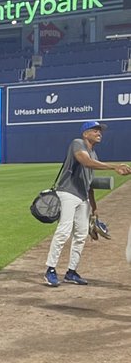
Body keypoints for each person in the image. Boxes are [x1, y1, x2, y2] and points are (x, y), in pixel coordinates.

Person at [44, 120, 131, 287]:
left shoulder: (94, 155)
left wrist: (94, 208)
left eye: (100, 131)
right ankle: (50, 270)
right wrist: (114, 167)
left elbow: (89, 183)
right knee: (63, 231)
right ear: (85, 133)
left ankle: (71, 272)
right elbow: (84, 161)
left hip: (83, 198)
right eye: (95, 130)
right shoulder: (78, 143)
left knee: (81, 234)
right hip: (68, 193)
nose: (99, 133)